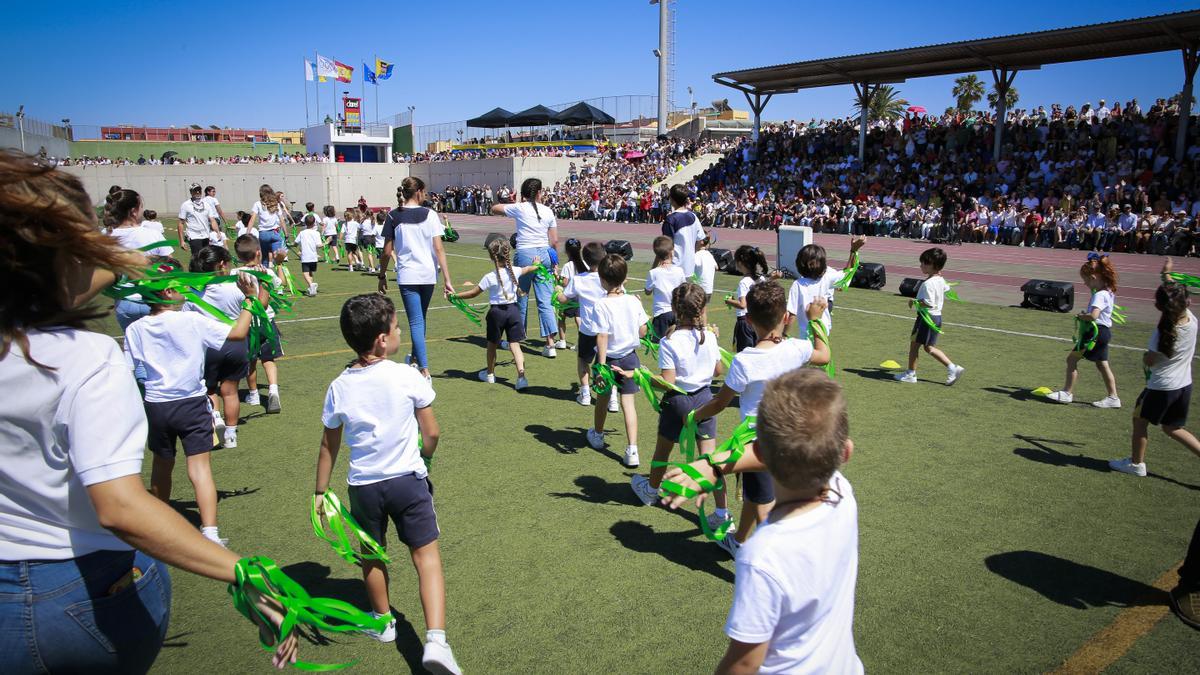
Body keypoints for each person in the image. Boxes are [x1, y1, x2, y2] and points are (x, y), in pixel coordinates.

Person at [0, 149, 296, 673]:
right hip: (75, 588)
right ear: (65, 256)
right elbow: (118, 508)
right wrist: (241, 575)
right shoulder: (82, 359)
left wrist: (130, 262)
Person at [662, 370, 862, 674]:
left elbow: (744, 663)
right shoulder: (842, 493)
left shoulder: (763, 553)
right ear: (845, 452)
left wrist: (712, 464)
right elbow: (777, 450)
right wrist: (712, 465)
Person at [313, 294, 461, 675]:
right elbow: (432, 432)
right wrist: (424, 460)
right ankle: (437, 641)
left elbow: (329, 444)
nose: (400, 332)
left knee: (372, 555)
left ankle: (383, 622)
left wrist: (319, 490)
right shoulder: (406, 374)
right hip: (408, 481)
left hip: (363, 486)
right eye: (396, 327)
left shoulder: (339, 385)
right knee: (426, 558)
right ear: (382, 339)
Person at [126, 262, 264, 546]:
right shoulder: (190, 320)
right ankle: (210, 532)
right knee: (199, 468)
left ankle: (159, 524)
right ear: (166, 292)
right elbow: (237, 333)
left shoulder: (136, 328)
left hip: (156, 405)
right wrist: (249, 300)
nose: (185, 289)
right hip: (191, 403)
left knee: (161, 465)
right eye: (179, 284)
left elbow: (132, 369)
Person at [693, 280, 831, 557]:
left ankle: (771, 561)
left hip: (758, 445)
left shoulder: (745, 360)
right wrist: (815, 321)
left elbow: (720, 403)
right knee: (757, 495)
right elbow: (824, 354)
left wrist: (694, 415)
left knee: (765, 506)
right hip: (791, 436)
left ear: (749, 319)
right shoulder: (796, 348)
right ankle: (739, 541)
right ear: (786, 317)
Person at [629, 283, 731, 530]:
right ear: (702, 308)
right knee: (710, 459)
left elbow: (669, 382)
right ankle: (722, 512)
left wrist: (642, 376)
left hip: (679, 402)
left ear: (674, 309)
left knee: (662, 451)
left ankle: (652, 491)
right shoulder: (709, 336)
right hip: (706, 399)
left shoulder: (669, 341)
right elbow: (719, 370)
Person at [1109, 261, 1200, 476]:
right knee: (1172, 428)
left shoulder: (1162, 334)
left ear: (1160, 307)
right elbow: (1175, 293)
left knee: (1139, 421)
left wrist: (1145, 358)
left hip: (1161, 387)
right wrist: (1166, 274)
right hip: (1183, 386)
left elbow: (1150, 360)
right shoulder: (1190, 319)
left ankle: (1136, 464)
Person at [379, 177, 455, 382]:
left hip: (408, 275)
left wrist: (381, 274)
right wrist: (447, 279)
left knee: (416, 321)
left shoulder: (394, 216)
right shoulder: (430, 215)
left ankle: (424, 370)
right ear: (419, 192)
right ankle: (414, 360)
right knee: (420, 319)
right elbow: (439, 248)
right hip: (428, 274)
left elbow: (387, 252)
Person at [586, 254, 648, 468]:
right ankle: (633, 449)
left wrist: (601, 365)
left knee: (602, 399)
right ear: (625, 278)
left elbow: (602, 335)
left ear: (602, 280)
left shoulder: (601, 304)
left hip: (609, 358)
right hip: (630, 358)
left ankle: (598, 435)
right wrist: (639, 308)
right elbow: (643, 331)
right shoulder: (633, 301)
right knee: (628, 404)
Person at [186, 246, 251, 449]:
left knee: (210, 388)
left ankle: (216, 418)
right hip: (236, 342)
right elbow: (253, 305)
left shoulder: (193, 290)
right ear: (222, 264)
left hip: (209, 345)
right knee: (231, 390)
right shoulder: (235, 287)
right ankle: (231, 435)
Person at [453, 238, 537, 390]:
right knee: (515, 345)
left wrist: (455, 296)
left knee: (492, 345)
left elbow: (473, 293)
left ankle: (490, 374)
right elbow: (528, 269)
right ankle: (521, 377)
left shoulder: (489, 276)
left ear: (492, 256)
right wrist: (536, 264)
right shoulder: (515, 271)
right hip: (513, 311)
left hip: (496, 313)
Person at [491, 178, 560, 358]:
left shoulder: (520, 208)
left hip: (525, 254)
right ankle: (550, 344)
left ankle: (517, 338)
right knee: (545, 301)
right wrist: (555, 263)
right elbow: (554, 241)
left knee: (520, 297)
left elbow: (494, 208)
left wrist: (513, 204)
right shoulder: (548, 211)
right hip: (544, 254)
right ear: (539, 192)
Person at [1046, 255, 1120, 407]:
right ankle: (1113, 397)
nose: (1085, 283)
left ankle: (1067, 393)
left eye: (1085, 280)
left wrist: (1082, 316)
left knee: (1071, 360)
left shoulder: (1099, 295)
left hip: (1095, 333)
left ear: (1093, 277)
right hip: (1104, 332)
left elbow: (1094, 316)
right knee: (1102, 364)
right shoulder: (1108, 291)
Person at [893, 248, 965, 386]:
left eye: (925, 263)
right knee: (928, 347)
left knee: (914, 346)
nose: (921, 265)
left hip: (926, 319)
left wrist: (914, 301)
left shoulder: (928, 284)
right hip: (937, 317)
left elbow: (928, 303)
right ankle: (952, 368)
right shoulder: (939, 280)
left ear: (934, 265)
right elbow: (947, 290)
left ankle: (910, 373)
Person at [106, 188, 172, 331]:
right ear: (133, 211)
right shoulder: (153, 235)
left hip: (124, 302)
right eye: (141, 207)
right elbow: (170, 267)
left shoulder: (107, 238)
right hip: (152, 299)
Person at [232, 235, 285, 414]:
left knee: (251, 361)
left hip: (246, 322)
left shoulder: (234, 273)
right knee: (268, 359)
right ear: (258, 252)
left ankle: (253, 394)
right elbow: (281, 285)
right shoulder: (266, 272)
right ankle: (273, 390)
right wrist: (279, 265)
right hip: (266, 322)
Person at [557, 241, 607, 407]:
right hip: (607, 329)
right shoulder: (610, 277)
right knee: (605, 362)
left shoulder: (579, 280)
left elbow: (564, 298)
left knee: (583, 360)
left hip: (588, 329)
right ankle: (611, 396)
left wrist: (556, 291)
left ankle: (585, 393)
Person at [786, 238, 865, 339]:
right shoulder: (826, 279)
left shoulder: (797, 284)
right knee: (822, 354)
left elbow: (791, 313)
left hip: (807, 334)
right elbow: (848, 274)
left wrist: (784, 334)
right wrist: (854, 251)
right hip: (823, 332)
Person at [726, 245, 770, 352]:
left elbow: (742, 305)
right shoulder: (761, 279)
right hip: (758, 320)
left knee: (744, 354)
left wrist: (729, 301)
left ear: (740, 263)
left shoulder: (744, 282)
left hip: (744, 322)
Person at [644, 235, 687, 341]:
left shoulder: (654, 273)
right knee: (677, 341)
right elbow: (684, 290)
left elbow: (647, 291)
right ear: (672, 251)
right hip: (677, 312)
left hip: (661, 313)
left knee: (660, 344)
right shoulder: (679, 271)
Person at [662, 184, 706, 277]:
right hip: (690, 268)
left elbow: (666, 247)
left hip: (674, 269)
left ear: (672, 199)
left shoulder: (671, 219)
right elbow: (700, 241)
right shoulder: (693, 216)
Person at [246, 184, 289, 268]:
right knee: (278, 259)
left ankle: (265, 278)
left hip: (263, 234)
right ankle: (279, 277)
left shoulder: (257, 204)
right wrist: (286, 233)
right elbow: (282, 220)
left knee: (264, 259)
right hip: (275, 233)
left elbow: (252, 219)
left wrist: (248, 232)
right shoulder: (276, 204)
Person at [554, 237, 585, 350]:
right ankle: (582, 341)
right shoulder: (584, 263)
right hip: (580, 295)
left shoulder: (568, 266)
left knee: (562, 316)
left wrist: (557, 276)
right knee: (579, 318)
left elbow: (564, 282)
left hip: (569, 295)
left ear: (567, 251)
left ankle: (562, 341)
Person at [178, 183, 217, 256]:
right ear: (191, 192)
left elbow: (212, 220)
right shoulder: (186, 205)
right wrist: (182, 241)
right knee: (197, 258)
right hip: (194, 236)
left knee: (206, 258)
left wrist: (217, 232)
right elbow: (180, 223)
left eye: (199, 190)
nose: (198, 192)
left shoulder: (206, 204)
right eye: (195, 190)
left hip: (206, 235)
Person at [297, 214, 322, 296]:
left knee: (305, 273)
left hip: (305, 257)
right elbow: (319, 245)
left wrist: (291, 244)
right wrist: (326, 243)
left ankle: (311, 285)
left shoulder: (302, 233)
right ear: (314, 223)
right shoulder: (317, 233)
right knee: (310, 273)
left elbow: (296, 242)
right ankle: (312, 289)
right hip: (314, 257)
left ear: (305, 223)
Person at [694, 235, 718, 303]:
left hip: (699, 289)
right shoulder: (709, 254)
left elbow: (691, 267)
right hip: (708, 288)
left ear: (700, 242)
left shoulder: (697, 255)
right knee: (703, 311)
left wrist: (695, 279)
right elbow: (716, 267)